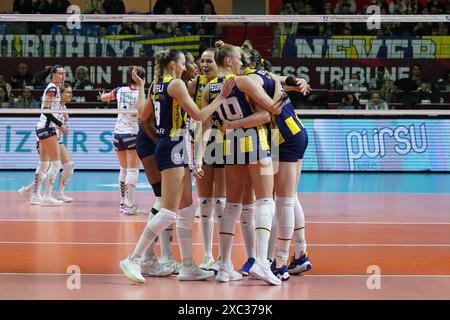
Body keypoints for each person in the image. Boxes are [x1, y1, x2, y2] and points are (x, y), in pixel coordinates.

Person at [119, 49, 233, 284]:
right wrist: (220, 98)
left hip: (169, 144)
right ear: (173, 64)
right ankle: (134, 258)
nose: (186, 66)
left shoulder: (157, 84)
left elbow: (142, 114)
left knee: (186, 210)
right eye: (183, 62)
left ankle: (189, 266)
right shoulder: (176, 85)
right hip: (173, 146)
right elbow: (200, 115)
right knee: (169, 210)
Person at [224, 41, 312, 280]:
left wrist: (231, 125)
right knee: (287, 198)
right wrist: (295, 81)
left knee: (282, 200)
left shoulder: (249, 79)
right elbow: (285, 79)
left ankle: (280, 263)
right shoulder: (263, 74)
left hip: (284, 137)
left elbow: (270, 109)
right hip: (291, 134)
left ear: (246, 62)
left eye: (238, 60)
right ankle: (298, 253)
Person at [200, 40, 285, 285]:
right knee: (265, 200)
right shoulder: (242, 81)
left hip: (229, 145)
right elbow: (268, 112)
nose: (242, 61)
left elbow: (206, 122)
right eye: (238, 57)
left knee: (232, 205)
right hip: (253, 141)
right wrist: (277, 87)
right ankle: (261, 261)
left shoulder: (210, 87)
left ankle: (225, 266)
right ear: (229, 61)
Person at [186, 48, 224, 273]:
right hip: (200, 141)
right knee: (204, 202)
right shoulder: (194, 85)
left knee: (221, 202)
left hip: (225, 142)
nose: (205, 64)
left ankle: (222, 255)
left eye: (209, 61)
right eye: (202, 61)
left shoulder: (227, 82)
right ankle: (207, 254)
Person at [99, 67, 146, 215]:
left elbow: (104, 98)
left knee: (124, 169)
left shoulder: (120, 90)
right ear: (142, 79)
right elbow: (143, 110)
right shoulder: (142, 93)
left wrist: (102, 95)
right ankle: (130, 206)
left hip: (118, 135)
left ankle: (123, 203)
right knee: (133, 170)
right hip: (132, 133)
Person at [18, 83, 75, 203]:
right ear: (61, 94)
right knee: (49, 166)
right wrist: (61, 124)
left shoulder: (64, 108)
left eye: (71, 92)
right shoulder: (54, 104)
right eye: (68, 92)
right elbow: (46, 113)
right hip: (46, 135)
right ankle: (40, 194)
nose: (70, 95)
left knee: (68, 165)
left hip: (56, 138)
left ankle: (58, 193)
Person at [28, 65, 68, 206]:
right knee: (56, 164)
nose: (63, 76)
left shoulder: (55, 89)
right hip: (47, 128)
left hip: (42, 128)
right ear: (53, 75)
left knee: (44, 163)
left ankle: (35, 196)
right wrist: (60, 125)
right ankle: (47, 196)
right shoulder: (52, 89)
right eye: (61, 74)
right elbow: (46, 110)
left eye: (64, 74)